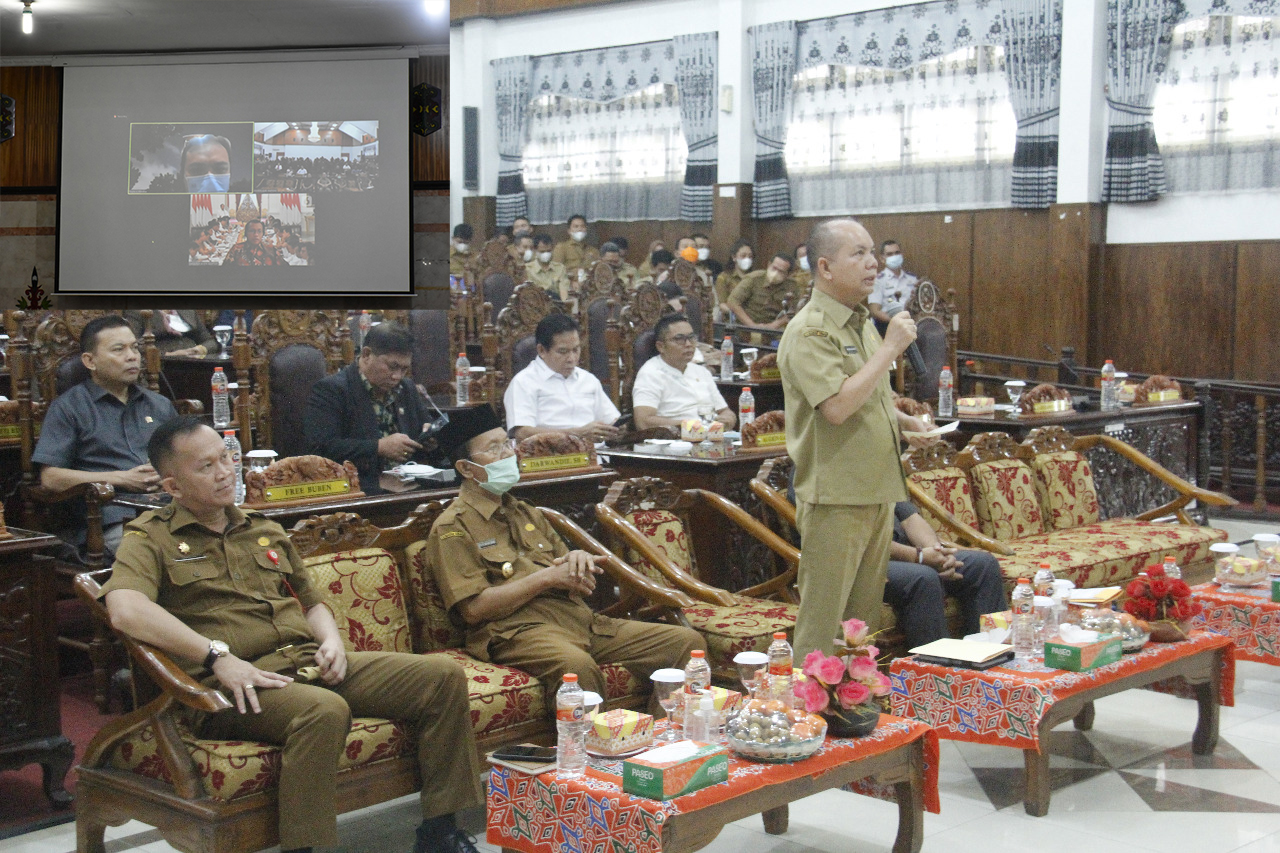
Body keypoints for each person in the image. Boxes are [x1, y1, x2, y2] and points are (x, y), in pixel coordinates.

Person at [100, 417, 483, 853]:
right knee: (322, 711)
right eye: (205, 467)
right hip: (229, 687)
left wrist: (332, 641)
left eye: (226, 457)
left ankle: (441, 831)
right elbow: (125, 610)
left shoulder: (261, 529)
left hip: (304, 661)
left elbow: (313, 602)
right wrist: (217, 658)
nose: (225, 472)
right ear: (173, 486)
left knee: (441, 677)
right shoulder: (150, 538)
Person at [425, 406, 704, 707]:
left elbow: (570, 573)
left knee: (686, 644)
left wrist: (577, 562)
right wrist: (546, 578)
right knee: (577, 668)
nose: (509, 454)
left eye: (507, 443)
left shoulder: (525, 511)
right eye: (494, 449)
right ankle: (593, 752)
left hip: (576, 621)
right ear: (466, 468)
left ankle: (666, 747)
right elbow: (474, 610)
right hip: (517, 632)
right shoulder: (453, 527)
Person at [777, 218, 928, 659]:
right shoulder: (811, 329)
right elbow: (837, 408)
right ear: (825, 266)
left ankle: (854, 716)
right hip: (835, 496)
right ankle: (809, 721)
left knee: (862, 627)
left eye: (872, 251)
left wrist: (905, 424)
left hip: (876, 490)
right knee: (823, 630)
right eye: (858, 253)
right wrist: (888, 350)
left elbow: (869, 394)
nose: (873, 262)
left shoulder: (860, 320)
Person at [31, 315, 177, 557]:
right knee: (169, 552)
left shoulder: (158, 405)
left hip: (171, 509)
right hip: (111, 521)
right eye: (119, 350)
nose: (132, 356)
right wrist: (120, 478)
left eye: (134, 348)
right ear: (90, 361)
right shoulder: (70, 408)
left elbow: (184, 457)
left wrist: (167, 473)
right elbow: (51, 478)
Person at [303, 322, 448, 496]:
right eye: (392, 367)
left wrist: (430, 438)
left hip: (409, 484)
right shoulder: (332, 390)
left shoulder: (406, 388)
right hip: (359, 487)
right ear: (366, 355)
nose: (397, 376)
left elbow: (424, 429)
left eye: (404, 369)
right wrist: (378, 447)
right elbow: (321, 448)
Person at [884, 501, 1007, 648]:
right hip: (869, 564)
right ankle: (937, 667)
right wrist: (919, 556)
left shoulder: (886, 479)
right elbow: (864, 541)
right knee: (924, 578)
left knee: (983, 565)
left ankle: (989, 657)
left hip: (914, 555)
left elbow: (910, 518)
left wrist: (937, 553)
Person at [503, 314, 620, 443]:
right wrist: (578, 434)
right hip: (549, 459)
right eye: (563, 352)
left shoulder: (588, 380)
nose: (572, 359)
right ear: (542, 350)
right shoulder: (524, 382)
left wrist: (617, 429)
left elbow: (611, 419)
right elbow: (522, 433)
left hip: (597, 457)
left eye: (576, 350)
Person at [632, 314, 735, 431]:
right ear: (661, 346)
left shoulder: (701, 371)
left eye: (691, 338)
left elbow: (725, 411)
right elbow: (643, 422)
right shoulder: (650, 373)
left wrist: (728, 419)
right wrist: (694, 426)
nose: (688, 344)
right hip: (674, 443)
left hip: (710, 437)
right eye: (679, 339)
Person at [727, 252, 797, 329]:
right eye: (774, 268)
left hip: (776, 329)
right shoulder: (754, 278)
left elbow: (795, 310)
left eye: (781, 271)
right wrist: (752, 325)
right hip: (747, 327)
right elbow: (733, 301)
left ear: (788, 274)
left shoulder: (792, 286)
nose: (775, 273)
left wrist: (776, 324)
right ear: (769, 265)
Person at [869, 238, 920, 337]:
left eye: (897, 253)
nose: (894, 256)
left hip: (912, 323)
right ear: (882, 258)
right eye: (889, 254)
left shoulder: (912, 279)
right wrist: (898, 322)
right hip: (888, 324)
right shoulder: (878, 281)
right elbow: (875, 311)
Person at [124, 310, 216, 357]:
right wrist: (170, 355)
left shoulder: (186, 309)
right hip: (163, 365)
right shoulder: (136, 311)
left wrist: (199, 349)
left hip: (193, 361)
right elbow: (133, 345)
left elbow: (209, 341)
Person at [551, 214, 599, 282]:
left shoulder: (593, 251)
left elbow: (599, 270)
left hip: (590, 286)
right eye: (576, 226)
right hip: (568, 285)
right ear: (569, 231)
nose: (580, 229)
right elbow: (556, 271)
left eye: (583, 226)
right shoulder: (561, 248)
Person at [714, 240, 753, 319]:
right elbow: (721, 304)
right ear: (734, 257)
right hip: (731, 320)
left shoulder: (754, 277)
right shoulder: (723, 277)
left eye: (750, 256)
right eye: (743, 256)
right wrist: (737, 314)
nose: (747, 259)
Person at [526, 233, 571, 300]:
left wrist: (564, 306)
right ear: (535, 250)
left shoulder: (560, 268)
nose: (546, 254)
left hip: (556, 304)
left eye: (549, 251)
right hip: (535, 305)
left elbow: (564, 291)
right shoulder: (527, 269)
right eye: (542, 251)